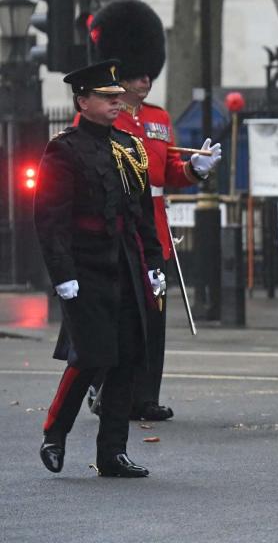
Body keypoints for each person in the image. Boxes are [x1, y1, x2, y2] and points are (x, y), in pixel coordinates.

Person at [78, 0, 223, 421]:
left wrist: (194, 170)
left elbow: (165, 173)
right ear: (118, 77)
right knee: (122, 320)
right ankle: (106, 388)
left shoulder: (158, 118)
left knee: (155, 320)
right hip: (117, 232)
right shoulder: (105, 117)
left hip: (154, 233)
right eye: (138, 75)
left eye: (147, 74)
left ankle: (145, 397)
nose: (145, 81)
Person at [36, 60, 166, 477]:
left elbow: (141, 214)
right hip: (86, 268)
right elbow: (51, 218)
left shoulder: (130, 147)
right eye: (107, 98)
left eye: (117, 96)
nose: (117, 102)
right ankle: (55, 434)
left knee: (128, 357)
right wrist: (63, 275)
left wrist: (153, 264)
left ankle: (112, 451)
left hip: (126, 264)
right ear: (83, 101)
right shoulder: (64, 148)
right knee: (91, 356)